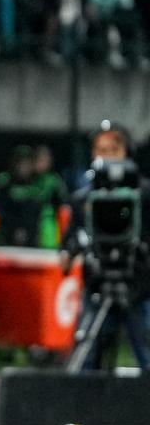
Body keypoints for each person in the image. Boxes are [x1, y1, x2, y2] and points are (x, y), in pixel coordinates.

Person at [59, 122, 150, 371]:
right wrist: (70, 252)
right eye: (100, 150)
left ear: (126, 152)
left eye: (113, 149)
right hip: (98, 286)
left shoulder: (144, 195)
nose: (106, 156)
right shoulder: (83, 198)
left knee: (145, 352)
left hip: (138, 287)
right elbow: (68, 245)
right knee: (87, 361)